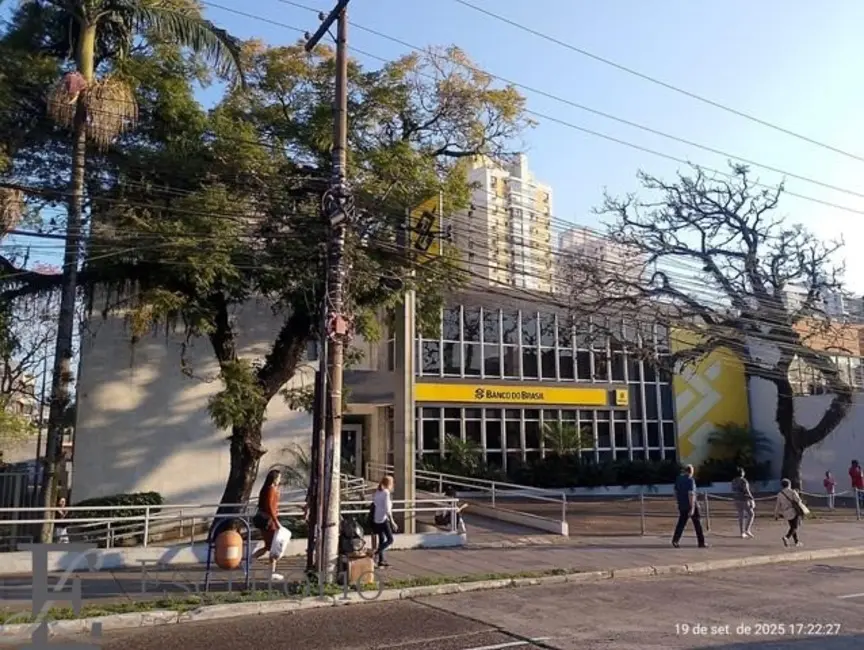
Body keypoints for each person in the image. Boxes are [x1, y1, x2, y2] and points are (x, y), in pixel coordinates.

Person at [252, 469, 283, 581]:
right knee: (272, 547)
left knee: (269, 547)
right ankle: (270, 572)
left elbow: (272, 506)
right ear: (275, 478)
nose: (280, 480)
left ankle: (250, 561)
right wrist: (276, 520)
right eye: (279, 477)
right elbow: (269, 507)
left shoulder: (270, 489)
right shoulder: (270, 489)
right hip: (269, 522)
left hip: (269, 521)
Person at [672, 464, 707, 548]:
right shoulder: (690, 480)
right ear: (691, 471)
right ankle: (701, 542)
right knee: (697, 523)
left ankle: (675, 540)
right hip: (691, 505)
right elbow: (691, 494)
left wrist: (678, 502)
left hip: (682, 504)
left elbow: (675, 492)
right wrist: (692, 508)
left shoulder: (679, 479)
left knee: (681, 523)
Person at [371, 475, 398, 567]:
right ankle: (376, 553)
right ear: (389, 484)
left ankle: (381, 561)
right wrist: (392, 522)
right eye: (392, 483)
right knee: (390, 539)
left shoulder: (378, 491)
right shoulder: (386, 493)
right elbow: (387, 509)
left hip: (376, 519)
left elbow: (375, 504)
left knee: (382, 539)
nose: (393, 485)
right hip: (383, 519)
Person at [774, 478, 808, 547]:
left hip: (786, 512)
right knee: (795, 527)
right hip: (793, 511)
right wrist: (797, 494)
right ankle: (786, 537)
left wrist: (776, 514)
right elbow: (798, 501)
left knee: (792, 527)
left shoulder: (780, 494)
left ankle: (796, 541)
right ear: (789, 484)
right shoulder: (792, 492)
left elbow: (777, 505)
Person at [730, 467, 755, 538]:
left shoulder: (733, 481)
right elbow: (747, 491)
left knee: (740, 515)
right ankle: (747, 529)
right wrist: (752, 499)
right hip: (744, 499)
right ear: (742, 473)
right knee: (751, 514)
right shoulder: (744, 481)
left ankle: (741, 532)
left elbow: (733, 489)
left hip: (736, 499)